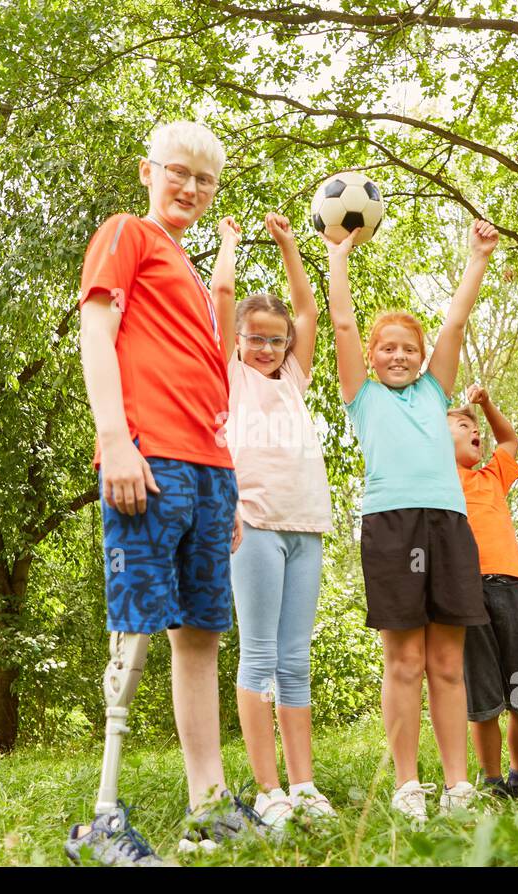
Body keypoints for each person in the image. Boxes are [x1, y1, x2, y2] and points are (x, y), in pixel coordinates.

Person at [66, 120, 263, 865]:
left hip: (210, 472)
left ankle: (209, 806)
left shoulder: (185, 263)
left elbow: (209, 381)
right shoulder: (128, 234)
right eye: (178, 172)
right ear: (149, 171)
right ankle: (104, 821)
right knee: (136, 633)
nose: (190, 188)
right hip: (148, 461)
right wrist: (114, 438)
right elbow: (97, 326)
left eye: (204, 180)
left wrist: (231, 483)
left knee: (201, 636)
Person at [326, 217, 497, 823]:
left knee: (447, 662)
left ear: (422, 359)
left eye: (408, 348)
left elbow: (454, 321)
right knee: (403, 661)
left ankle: (456, 785)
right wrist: (337, 257)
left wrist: (475, 257)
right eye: (386, 348)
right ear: (370, 359)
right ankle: (407, 785)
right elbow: (342, 321)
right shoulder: (361, 396)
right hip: (391, 527)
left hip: (448, 526)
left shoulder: (433, 391)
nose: (398, 355)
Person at [210, 212, 335, 828]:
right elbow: (223, 295)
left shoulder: (294, 378)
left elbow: (307, 311)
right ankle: (267, 789)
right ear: (237, 340)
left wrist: (290, 245)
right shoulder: (228, 376)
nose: (266, 348)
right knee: (258, 655)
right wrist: (232, 243)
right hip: (253, 523)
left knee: (295, 659)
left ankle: (304, 783)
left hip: (305, 525)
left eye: (275, 339)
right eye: (255, 337)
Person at [448, 385, 518, 799]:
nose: (476, 432)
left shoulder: (491, 475)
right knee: (483, 699)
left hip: (512, 588)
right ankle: (492, 783)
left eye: (475, 427)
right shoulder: (434, 481)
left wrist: (484, 405)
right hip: (466, 595)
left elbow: (509, 440)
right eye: (462, 424)